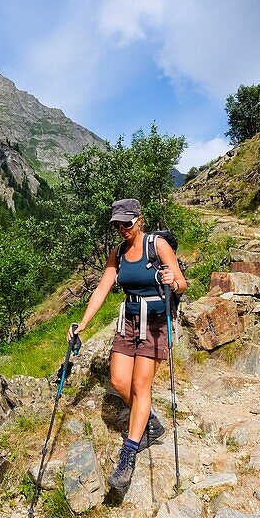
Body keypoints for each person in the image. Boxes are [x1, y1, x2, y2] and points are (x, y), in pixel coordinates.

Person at [69, 198, 187, 489]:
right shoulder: (118, 253)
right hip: (129, 322)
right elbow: (102, 288)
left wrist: (173, 280)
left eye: (127, 223)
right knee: (119, 381)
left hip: (157, 322)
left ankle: (129, 454)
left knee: (140, 386)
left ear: (139, 219)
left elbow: (182, 283)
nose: (122, 229)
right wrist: (83, 323)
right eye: (117, 225)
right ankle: (149, 422)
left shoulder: (157, 246)